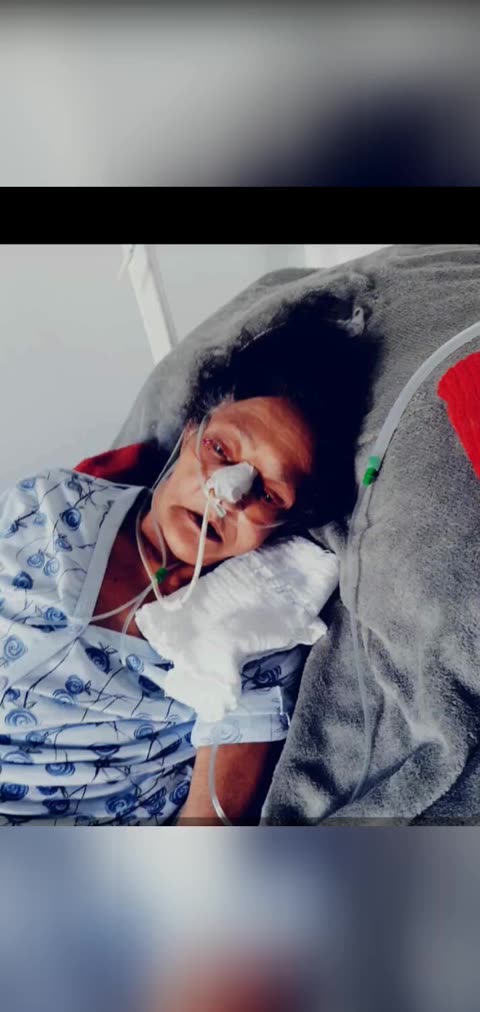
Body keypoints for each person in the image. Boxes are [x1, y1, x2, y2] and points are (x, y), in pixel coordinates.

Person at [0, 304, 371, 824]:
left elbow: (205, 831)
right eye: (221, 450)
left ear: (284, 525)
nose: (228, 495)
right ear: (190, 431)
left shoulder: (259, 636)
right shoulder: (46, 510)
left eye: (268, 493)